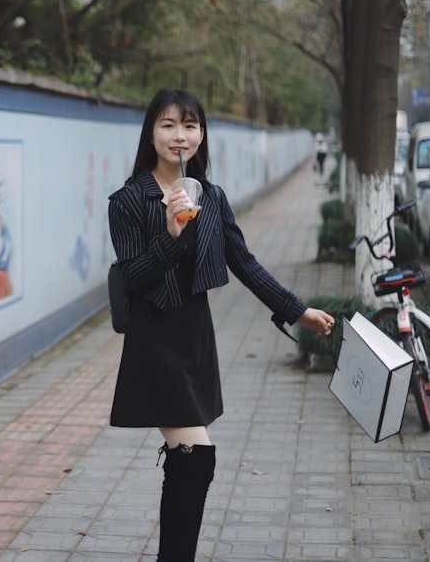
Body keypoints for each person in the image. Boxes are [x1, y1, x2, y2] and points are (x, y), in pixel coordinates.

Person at [107, 88, 335, 562]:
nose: (179, 135)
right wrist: (171, 236)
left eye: (189, 125)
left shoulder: (212, 197)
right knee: (196, 456)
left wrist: (298, 311)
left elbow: (245, 264)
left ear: (201, 135)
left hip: (196, 335)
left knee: (190, 461)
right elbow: (133, 276)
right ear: (151, 132)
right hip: (155, 337)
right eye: (168, 124)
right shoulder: (129, 200)